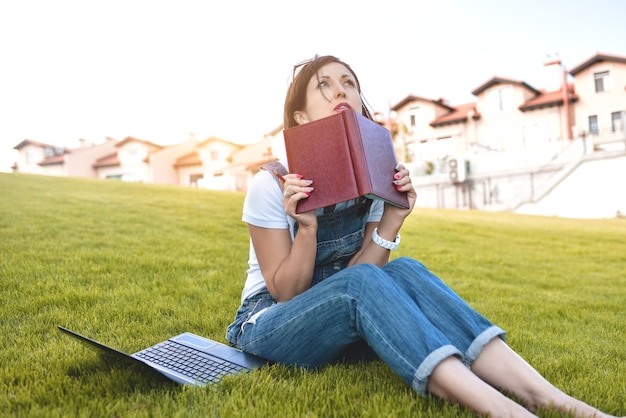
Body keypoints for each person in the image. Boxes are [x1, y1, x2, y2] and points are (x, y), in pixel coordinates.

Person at [226, 55, 622, 418]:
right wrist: (307, 229)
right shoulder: (272, 185)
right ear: (299, 117)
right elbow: (286, 294)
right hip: (269, 324)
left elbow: (361, 280)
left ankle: (554, 400)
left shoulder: (377, 178)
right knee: (364, 282)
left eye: (349, 82)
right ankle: (507, 412)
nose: (341, 90)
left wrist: (393, 218)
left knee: (407, 271)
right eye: (324, 85)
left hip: (336, 322)